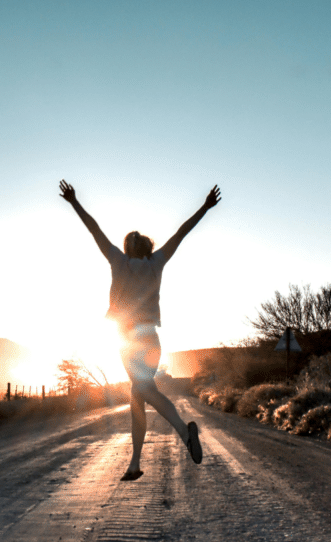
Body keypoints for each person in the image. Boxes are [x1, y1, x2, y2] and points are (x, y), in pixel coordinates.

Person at [59, 179, 221, 481]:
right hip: (151, 338)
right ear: (147, 246)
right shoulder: (156, 262)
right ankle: (134, 463)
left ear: (128, 247)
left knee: (144, 391)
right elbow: (181, 233)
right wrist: (205, 208)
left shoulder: (118, 261)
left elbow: (94, 229)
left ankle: (184, 432)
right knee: (138, 397)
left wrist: (74, 203)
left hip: (128, 340)